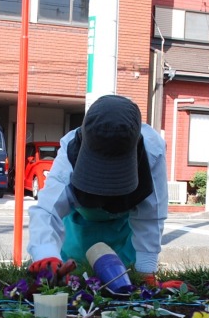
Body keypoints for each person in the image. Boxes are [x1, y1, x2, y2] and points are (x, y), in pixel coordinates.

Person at [27, 95, 168, 288]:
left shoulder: (153, 151)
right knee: (68, 283)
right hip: (79, 229)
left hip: (123, 232)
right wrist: (46, 255)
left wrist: (146, 272)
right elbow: (47, 210)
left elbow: (151, 214)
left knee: (122, 285)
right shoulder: (70, 150)